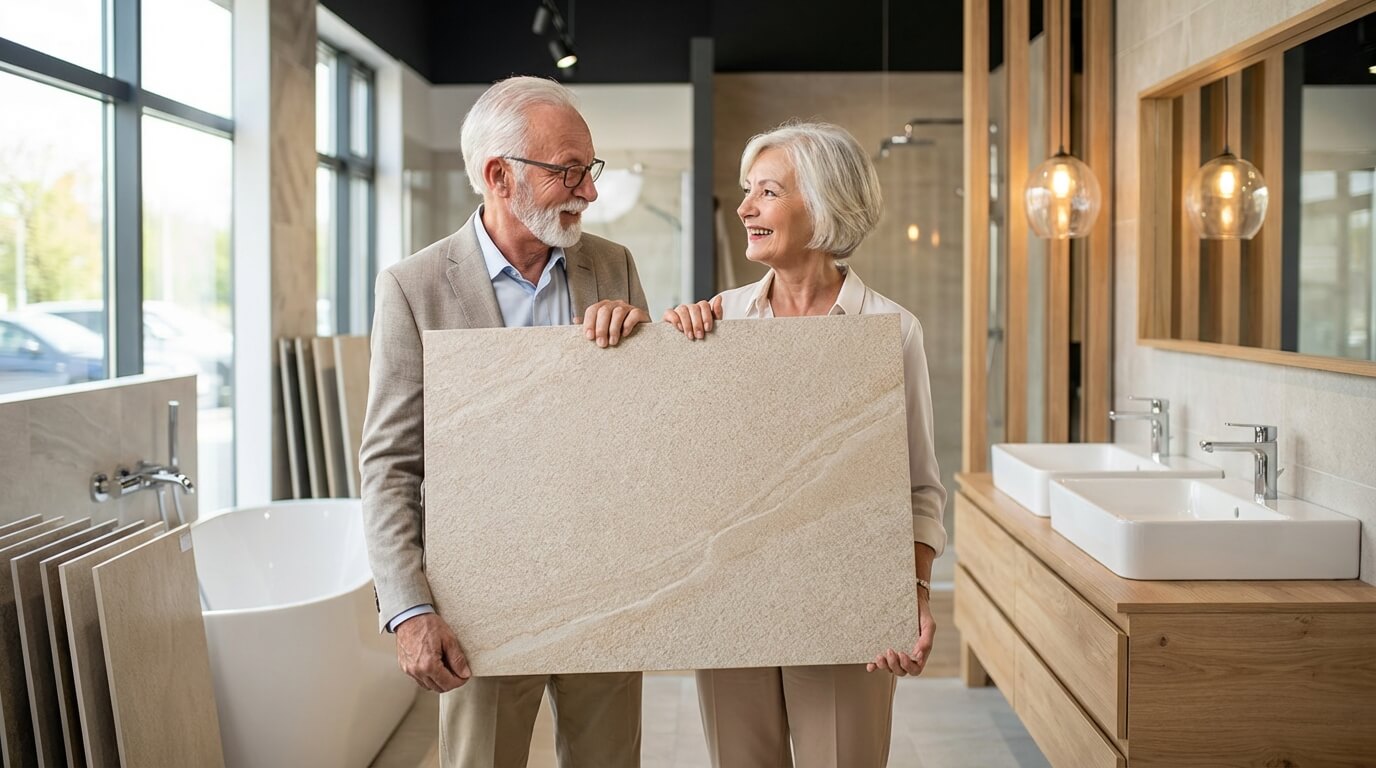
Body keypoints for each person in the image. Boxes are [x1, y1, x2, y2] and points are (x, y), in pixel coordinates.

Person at [360, 76, 649, 768]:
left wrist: (646, 354)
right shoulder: (414, 287)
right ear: (499, 175)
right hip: (478, 600)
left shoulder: (614, 266)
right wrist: (409, 609)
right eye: (569, 171)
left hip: (600, 582)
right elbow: (390, 465)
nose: (590, 190)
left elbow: (641, 437)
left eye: (590, 169)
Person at [663, 121, 947, 768]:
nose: (744, 208)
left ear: (823, 206)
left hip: (850, 602)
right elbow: (683, 470)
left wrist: (914, 596)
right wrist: (670, 350)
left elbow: (919, 486)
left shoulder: (890, 330)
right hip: (733, 602)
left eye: (767, 192)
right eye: (747, 191)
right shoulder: (717, 323)